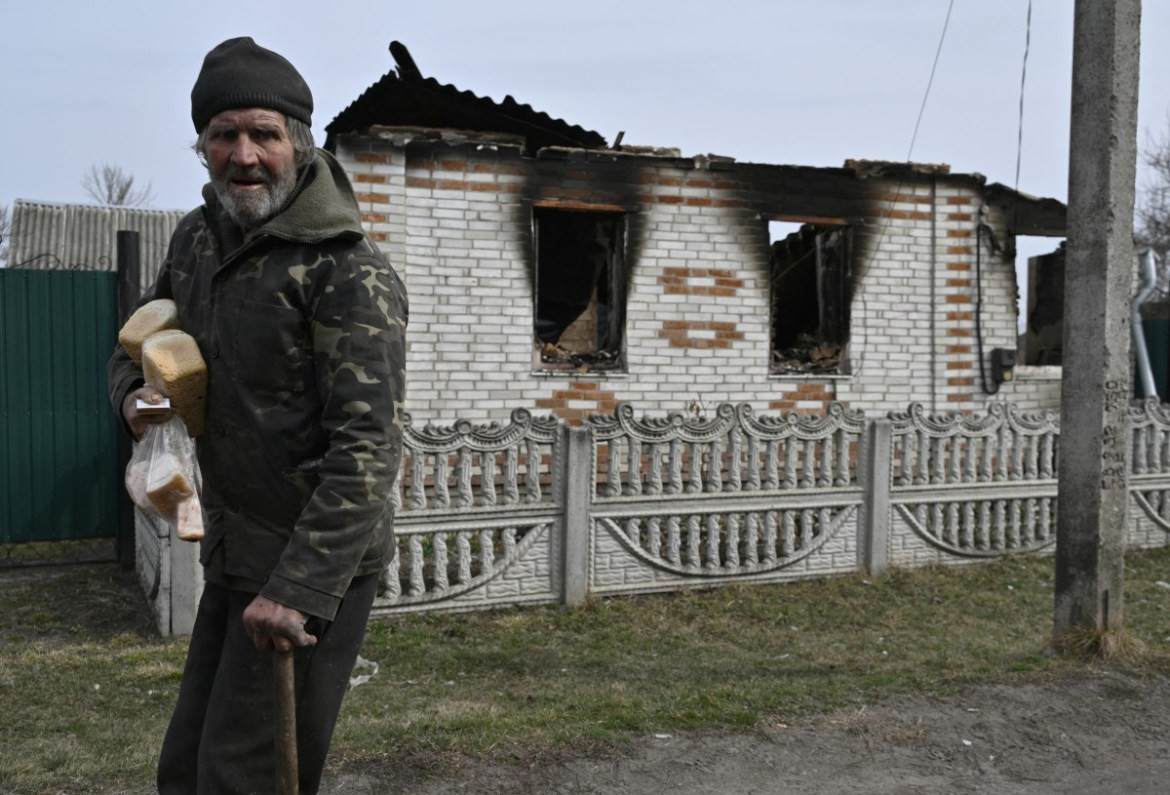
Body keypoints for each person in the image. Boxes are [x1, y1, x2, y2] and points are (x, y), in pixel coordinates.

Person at [107, 37, 407, 794]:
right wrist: (132, 399)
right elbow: (138, 338)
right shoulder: (199, 237)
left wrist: (299, 589)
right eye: (224, 134)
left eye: (264, 134)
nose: (244, 155)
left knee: (246, 776)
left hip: (313, 564)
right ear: (202, 145)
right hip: (237, 550)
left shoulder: (345, 269)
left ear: (299, 144)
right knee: (186, 767)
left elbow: (368, 448)